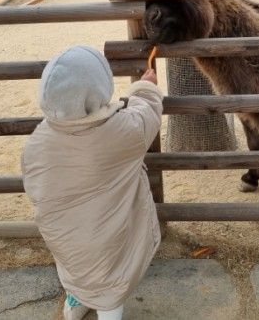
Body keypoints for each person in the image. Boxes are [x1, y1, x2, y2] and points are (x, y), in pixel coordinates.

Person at [21, 45, 163, 320]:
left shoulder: (38, 141)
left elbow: (34, 183)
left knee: (76, 266)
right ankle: (107, 310)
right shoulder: (122, 130)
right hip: (108, 236)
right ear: (99, 87)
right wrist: (145, 88)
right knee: (109, 279)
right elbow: (147, 114)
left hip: (65, 237)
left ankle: (76, 300)